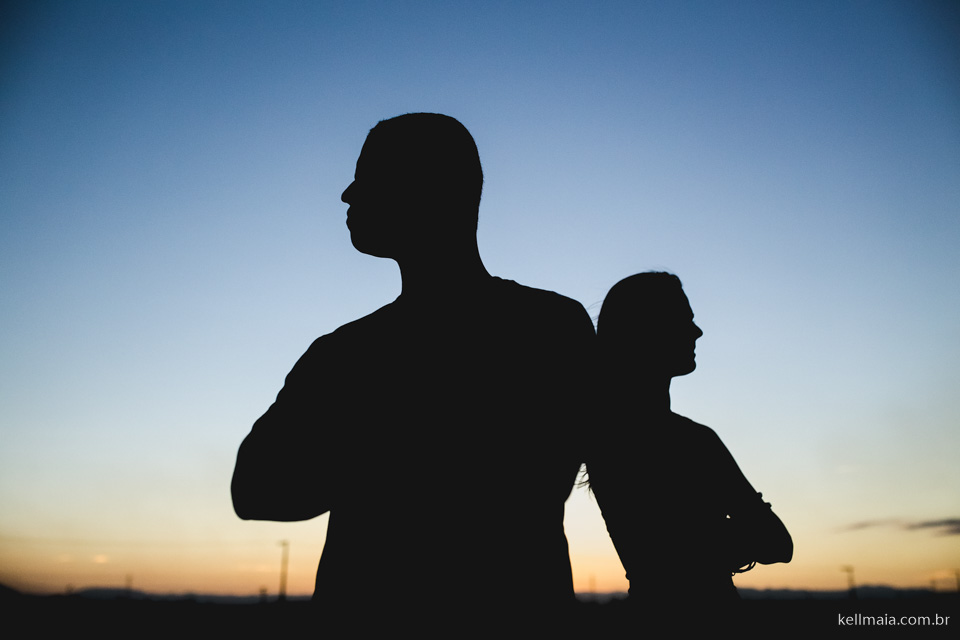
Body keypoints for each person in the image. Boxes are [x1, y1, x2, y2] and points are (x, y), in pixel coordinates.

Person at [231, 113, 594, 630]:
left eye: (368, 177)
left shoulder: (347, 357)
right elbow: (252, 488)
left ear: (429, 190)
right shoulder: (552, 325)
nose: (347, 194)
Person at [586, 272, 792, 625]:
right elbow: (775, 542)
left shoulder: (601, 434)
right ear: (647, 330)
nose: (697, 332)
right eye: (684, 321)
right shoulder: (692, 441)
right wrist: (729, 538)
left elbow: (775, 544)